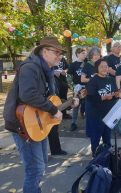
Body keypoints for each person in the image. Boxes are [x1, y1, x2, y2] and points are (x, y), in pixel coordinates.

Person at [3, 36, 78, 193]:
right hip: (23, 124)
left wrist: (68, 102)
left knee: (42, 163)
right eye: (56, 52)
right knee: (35, 168)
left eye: (61, 53)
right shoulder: (30, 67)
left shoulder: (46, 71)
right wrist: (53, 110)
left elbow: (48, 98)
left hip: (37, 124)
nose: (60, 56)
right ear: (44, 51)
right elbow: (28, 94)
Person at [86, 58, 118, 156]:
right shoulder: (93, 81)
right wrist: (104, 97)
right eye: (102, 66)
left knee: (107, 135)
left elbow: (114, 92)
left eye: (106, 66)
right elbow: (90, 97)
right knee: (96, 136)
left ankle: (107, 155)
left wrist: (115, 95)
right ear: (97, 68)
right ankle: (95, 155)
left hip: (109, 112)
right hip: (96, 114)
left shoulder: (111, 79)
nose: (105, 68)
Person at [67, 48, 87, 131]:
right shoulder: (73, 65)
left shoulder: (87, 64)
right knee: (75, 105)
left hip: (86, 88)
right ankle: (73, 123)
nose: (85, 54)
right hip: (76, 89)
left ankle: (88, 123)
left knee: (87, 105)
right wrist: (73, 87)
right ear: (77, 54)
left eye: (85, 53)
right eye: (83, 53)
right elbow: (69, 78)